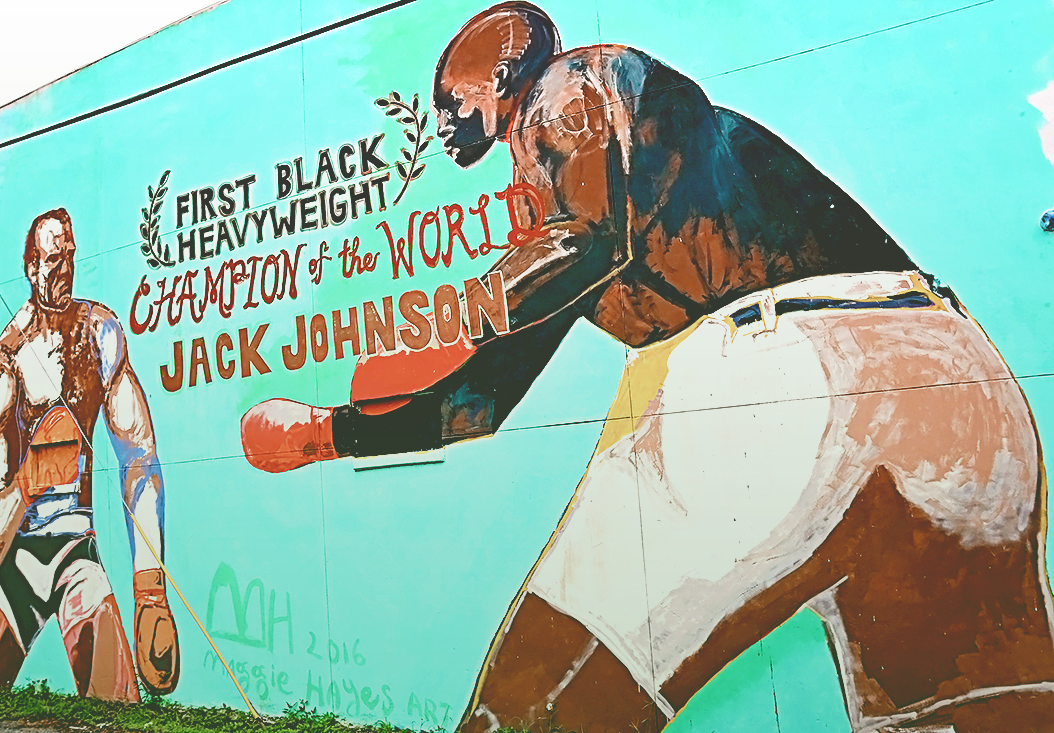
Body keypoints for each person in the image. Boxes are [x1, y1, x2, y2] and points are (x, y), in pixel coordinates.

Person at [241, 3, 1054, 730]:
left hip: (787, 373)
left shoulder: (572, 88)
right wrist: (328, 434)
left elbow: (585, 240)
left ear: (492, 91)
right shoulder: (607, 203)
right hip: (956, 385)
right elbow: (481, 400)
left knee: (526, 713)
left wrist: (461, 314)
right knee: (976, 712)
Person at [0, 208, 180, 700]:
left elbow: (138, 457)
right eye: (49, 260)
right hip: (21, 556)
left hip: (77, 550)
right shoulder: (5, 366)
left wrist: (150, 587)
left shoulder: (100, 333)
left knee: (117, 700)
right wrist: (32, 477)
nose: (60, 270)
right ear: (29, 265)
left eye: (68, 257)